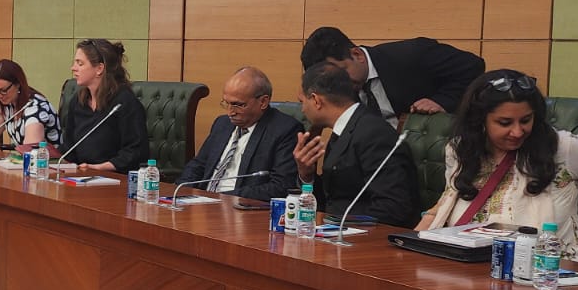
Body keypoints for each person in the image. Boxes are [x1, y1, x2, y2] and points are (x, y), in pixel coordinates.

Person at [419, 70, 578, 267]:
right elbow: (450, 196)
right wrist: (418, 234)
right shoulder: (460, 149)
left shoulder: (563, 147)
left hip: (553, 271)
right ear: (479, 121)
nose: (518, 131)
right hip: (471, 269)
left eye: (526, 120)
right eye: (505, 123)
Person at [292, 62, 421, 227]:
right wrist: (306, 175)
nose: (302, 109)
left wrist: (339, 227)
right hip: (334, 232)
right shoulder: (344, 130)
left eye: (302, 102)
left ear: (316, 100)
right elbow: (330, 200)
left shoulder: (374, 134)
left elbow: (394, 207)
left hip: (367, 236)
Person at [299, 26, 484, 128]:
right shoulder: (339, 88)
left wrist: (441, 100)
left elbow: (473, 66)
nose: (339, 82)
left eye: (341, 71)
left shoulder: (412, 55)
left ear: (357, 55)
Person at [175, 66, 299, 200]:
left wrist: (223, 197)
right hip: (203, 201)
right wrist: (180, 191)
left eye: (238, 105)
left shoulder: (285, 130)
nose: (230, 112)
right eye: (226, 103)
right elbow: (198, 165)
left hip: (239, 204)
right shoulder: (222, 123)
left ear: (263, 102)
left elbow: (280, 186)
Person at [61, 39, 149, 173]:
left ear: (99, 69)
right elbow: (69, 147)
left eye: (80, 63)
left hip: (116, 177)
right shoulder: (78, 101)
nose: (73, 68)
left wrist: (99, 168)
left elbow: (135, 152)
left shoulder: (124, 103)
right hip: (81, 174)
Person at [0, 59, 61, 153]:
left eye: (3, 90)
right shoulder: (7, 105)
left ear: (18, 84)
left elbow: (30, 152)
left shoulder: (35, 108)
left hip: (48, 161)